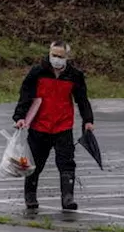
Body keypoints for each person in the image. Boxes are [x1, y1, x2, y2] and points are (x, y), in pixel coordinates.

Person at [12, 41, 95, 211]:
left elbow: (82, 99)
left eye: (60, 56)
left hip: (63, 125)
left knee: (66, 162)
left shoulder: (75, 75)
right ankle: (30, 196)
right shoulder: (37, 72)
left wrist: (88, 120)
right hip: (39, 125)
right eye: (54, 55)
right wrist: (20, 117)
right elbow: (26, 94)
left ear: (67, 57)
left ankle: (68, 198)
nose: (56, 59)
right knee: (35, 163)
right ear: (49, 54)